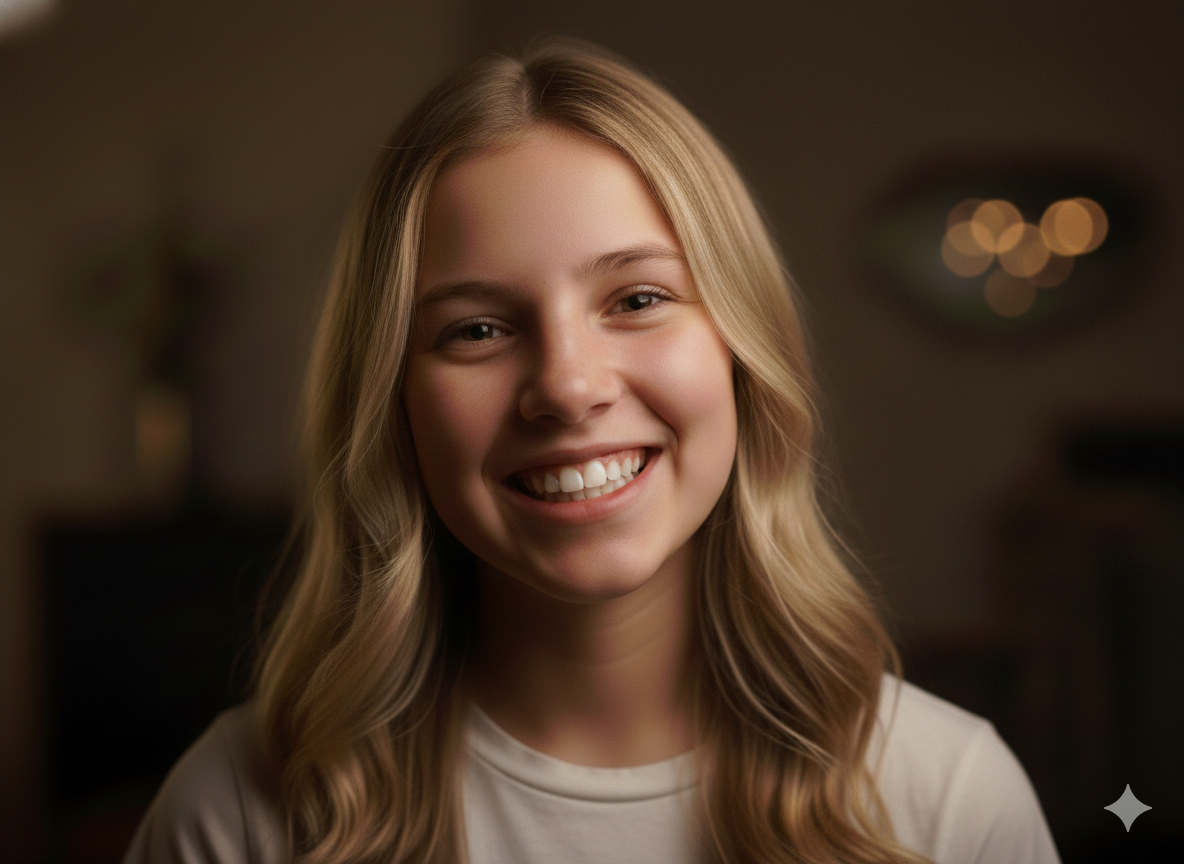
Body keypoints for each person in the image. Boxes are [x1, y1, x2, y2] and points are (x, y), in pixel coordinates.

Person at [123, 40, 1060, 864]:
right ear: (392, 404)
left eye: (639, 300)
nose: (569, 386)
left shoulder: (949, 800)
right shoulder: (236, 813)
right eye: (478, 329)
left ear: (745, 353)